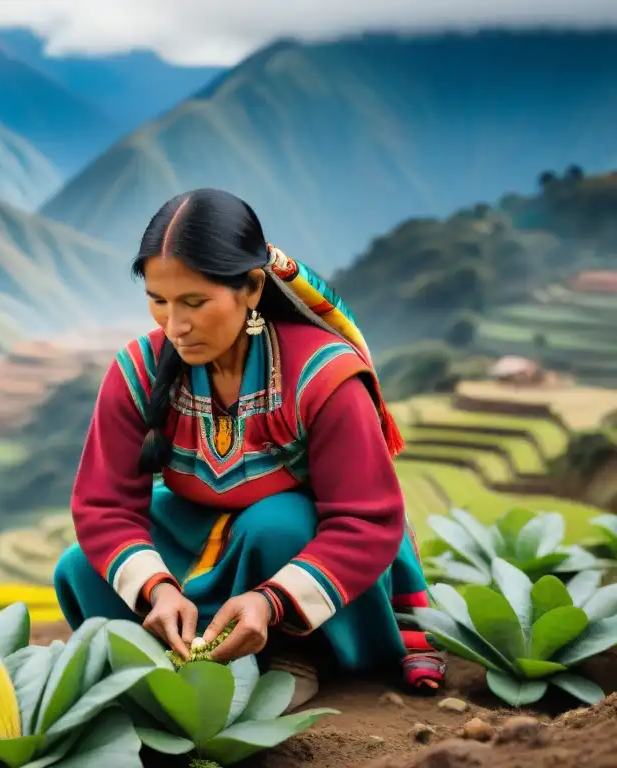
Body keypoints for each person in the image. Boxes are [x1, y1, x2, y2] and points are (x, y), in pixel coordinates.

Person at [53, 188, 445, 710]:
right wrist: (158, 590)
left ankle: (298, 653)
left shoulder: (323, 377)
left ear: (253, 288)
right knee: (81, 566)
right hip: (198, 530)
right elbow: (104, 506)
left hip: (302, 545)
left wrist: (270, 601)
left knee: (276, 524)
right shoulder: (138, 370)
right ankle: (180, 641)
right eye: (158, 301)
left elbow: (366, 521)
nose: (175, 326)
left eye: (195, 302)